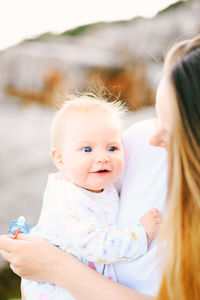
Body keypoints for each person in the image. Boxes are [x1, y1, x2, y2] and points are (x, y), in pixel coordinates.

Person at [0, 34, 200, 300]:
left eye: (170, 126)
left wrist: (56, 267)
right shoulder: (139, 142)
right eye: (156, 117)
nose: (154, 137)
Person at [21, 96, 161, 300]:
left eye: (112, 148)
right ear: (60, 159)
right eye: (87, 149)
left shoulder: (100, 185)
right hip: (57, 291)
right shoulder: (68, 201)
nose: (103, 157)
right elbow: (96, 246)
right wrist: (141, 234)